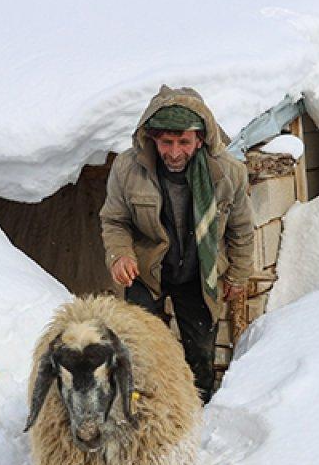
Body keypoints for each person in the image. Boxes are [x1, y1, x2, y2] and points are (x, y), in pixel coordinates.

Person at [100, 85, 254, 402]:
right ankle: (150, 413)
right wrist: (120, 255)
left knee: (200, 355)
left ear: (200, 140)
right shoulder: (128, 169)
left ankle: (200, 412)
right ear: (152, 139)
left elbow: (240, 228)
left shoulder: (228, 173)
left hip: (200, 273)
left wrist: (238, 275)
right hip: (147, 271)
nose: (174, 152)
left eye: (184, 142)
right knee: (142, 350)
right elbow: (115, 220)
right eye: (166, 142)